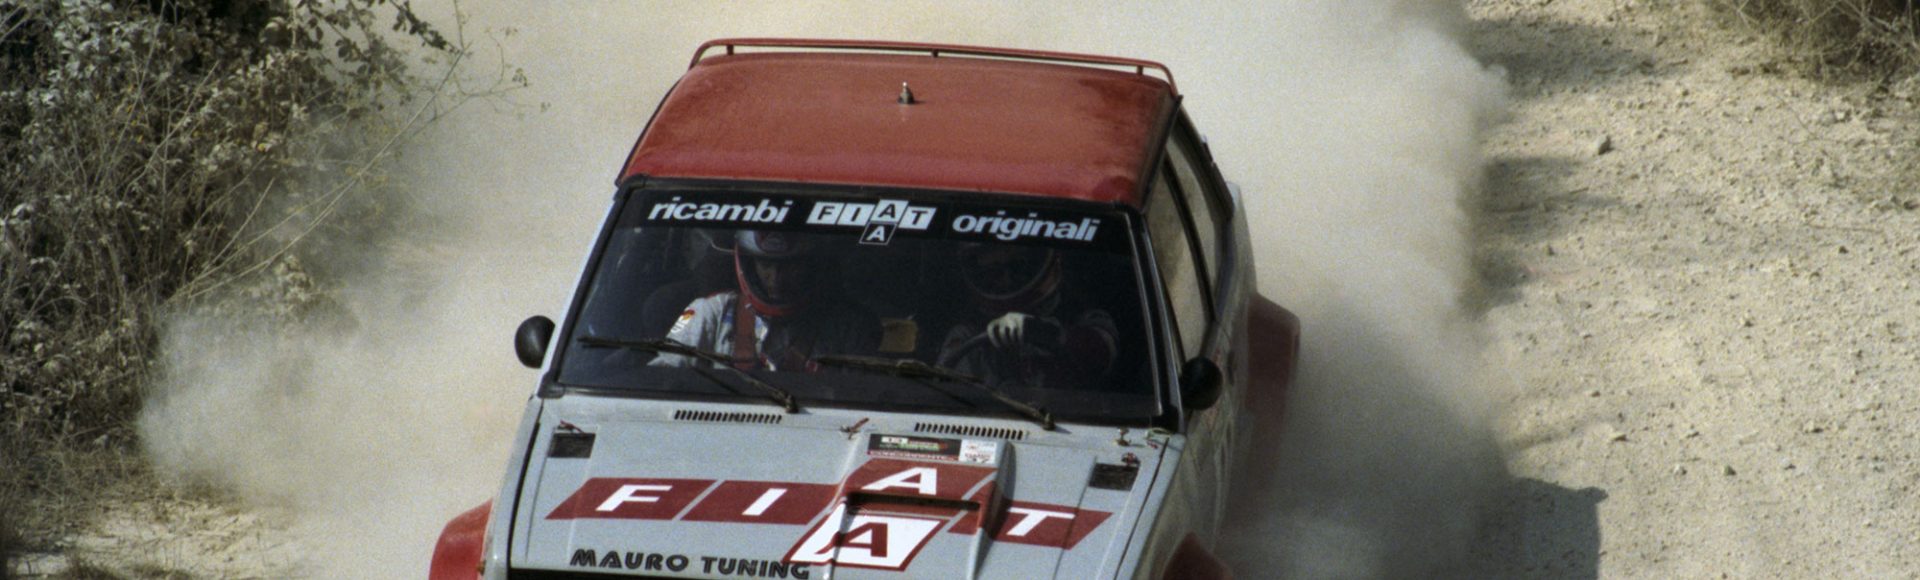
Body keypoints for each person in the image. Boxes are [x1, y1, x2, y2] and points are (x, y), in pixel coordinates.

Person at [651, 230, 878, 371]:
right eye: (766, 265)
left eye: (789, 266)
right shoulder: (709, 311)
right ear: (749, 265)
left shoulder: (847, 327)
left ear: (810, 265)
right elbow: (662, 373)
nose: (776, 278)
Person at [938, 244, 1117, 389]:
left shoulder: (1087, 319)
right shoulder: (966, 335)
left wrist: (1038, 330)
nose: (1006, 281)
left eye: (1018, 267)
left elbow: (1101, 352)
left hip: (1071, 418)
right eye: (993, 272)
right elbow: (944, 391)